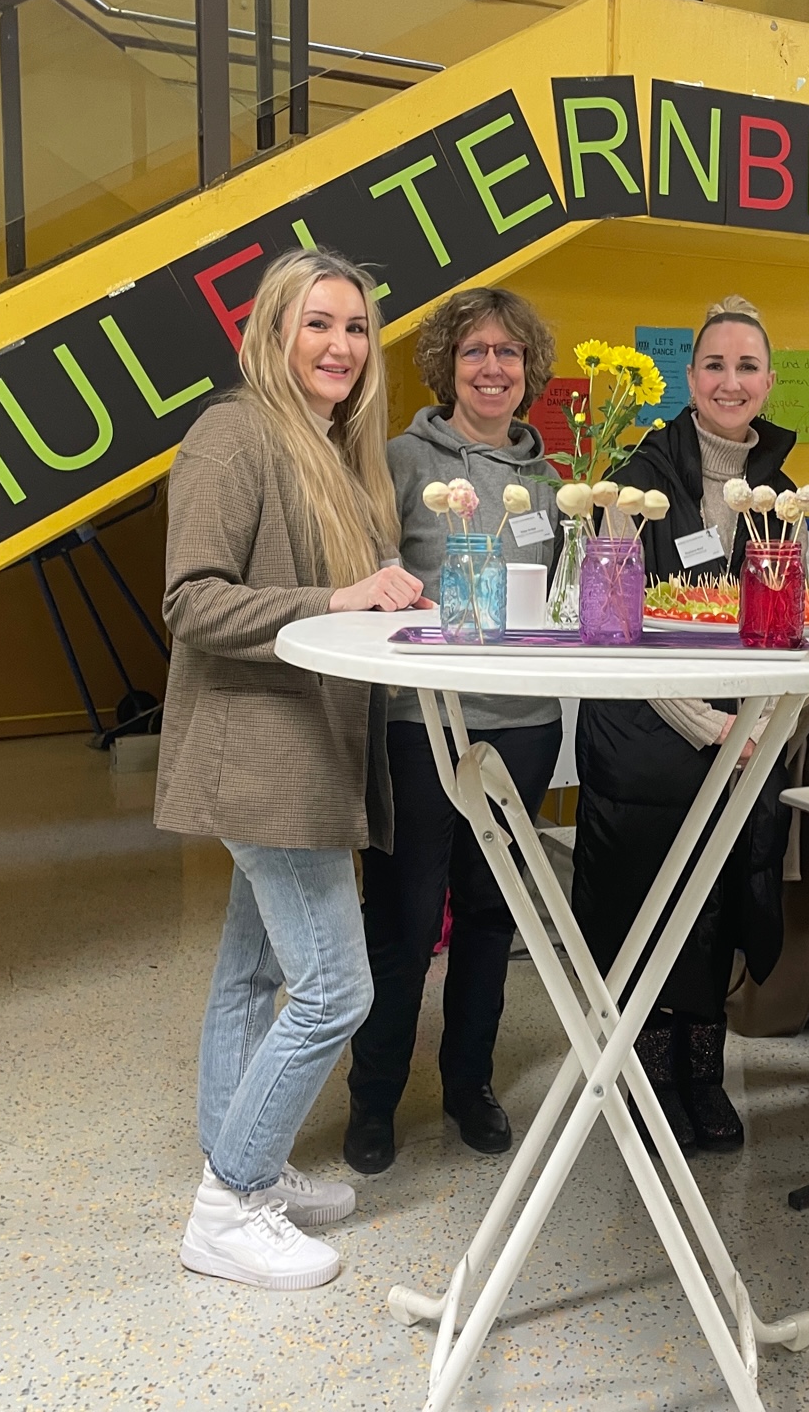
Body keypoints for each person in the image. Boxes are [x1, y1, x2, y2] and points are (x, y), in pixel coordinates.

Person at [158, 247, 426, 1290]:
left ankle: (249, 1171)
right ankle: (228, 1203)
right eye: (317, 324)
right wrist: (336, 604)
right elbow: (192, 601)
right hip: (258, 754)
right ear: (272, 333)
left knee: (254, 973)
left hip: (310, 752)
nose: (340, 346)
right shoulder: (235, 435)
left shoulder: (329, 447)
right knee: (334, 990)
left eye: (355, 328)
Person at [343, 288, 563, 1174]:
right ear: (447, 367)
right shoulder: (399, 459)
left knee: (486, 915)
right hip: (417, 723)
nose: (492, 368)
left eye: (509, 353)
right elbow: (364, 562)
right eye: (475, 351)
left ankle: (469, 1083)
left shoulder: (554, 481)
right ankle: (374, 1097)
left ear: (528, 372)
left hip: (525, 724)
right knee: (401, 917)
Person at [571, 295, 797, 1155]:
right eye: (714, 365)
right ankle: (648, 1070)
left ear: (767, 381)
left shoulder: (781, 481)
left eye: (747, 366)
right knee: (642, 909)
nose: (730, 381)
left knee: (714, 906)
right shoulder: (631, 470)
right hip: (647, 739)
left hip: (740, 741)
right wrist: (711, 725)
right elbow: (615, 621)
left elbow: (792, 614)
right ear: (689, 377)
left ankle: (704, 1071)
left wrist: (757, 727)